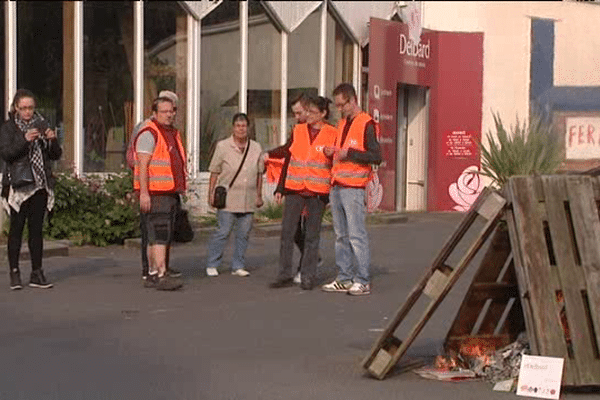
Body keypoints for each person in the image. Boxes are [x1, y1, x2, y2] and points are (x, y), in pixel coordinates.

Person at [268, 96, 337, 290]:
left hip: (318, 191)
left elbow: (335, 164)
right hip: (295, 188)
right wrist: (281, 187)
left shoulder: (332, 133)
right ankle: (284, 275)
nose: (307, 115)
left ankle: (308, 276)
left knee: (312, 235)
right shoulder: (298, 131)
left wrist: (333, 191)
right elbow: (289, 158)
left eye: (312, 112)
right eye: (307, 112)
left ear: (323, 114)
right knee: (287, 232)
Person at [321, 83, 382, 296]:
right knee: (341, 235)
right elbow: (342, 151)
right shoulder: (342, 123)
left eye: (341, 105)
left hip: (354, 187)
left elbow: (376, 156)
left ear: (353, 100)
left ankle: (362, 280)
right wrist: (334, 152)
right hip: (338, 185)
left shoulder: (366, 123)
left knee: (356, 235)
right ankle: (344, 278)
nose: (339, 109)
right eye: (337, 105)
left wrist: (350, 153)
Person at [0, 89, 62, 290]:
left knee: (36, 230)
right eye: (24, 108)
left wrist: (52, 140)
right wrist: (24, 139)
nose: (28, 112)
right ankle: (15, 272)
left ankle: (37, 271)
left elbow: (54, 155)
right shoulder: (9, 128)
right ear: (16, 108)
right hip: (19, 185)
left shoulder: (41, 124)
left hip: (40, 183)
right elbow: (7, 154)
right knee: (16, 229)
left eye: (31, 108)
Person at [127, 90, 181, 282]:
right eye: (165, 111)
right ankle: (161, 273)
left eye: (172, 111)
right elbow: (142, 165)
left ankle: (152, 272)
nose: (169, 114)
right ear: (155, 113)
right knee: (159, 234)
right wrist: (143, 193)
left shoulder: (171, 132)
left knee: (157, 235)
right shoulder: (150, 133)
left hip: (169, 192)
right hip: (156, 193)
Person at [205, 113, 264, 277]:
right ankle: (212, 263)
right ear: (233, 128)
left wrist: (259, 195)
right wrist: (210, 193)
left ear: (248, 128)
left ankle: (238, 265)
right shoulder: (223, 146)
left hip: (248, 197)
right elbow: (214, 171)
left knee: (243, 234)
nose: (241, 129)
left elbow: (259, 173)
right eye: (238, 126)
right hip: (228, 198)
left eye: (244, 126)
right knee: (222, 232)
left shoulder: (256, 147)